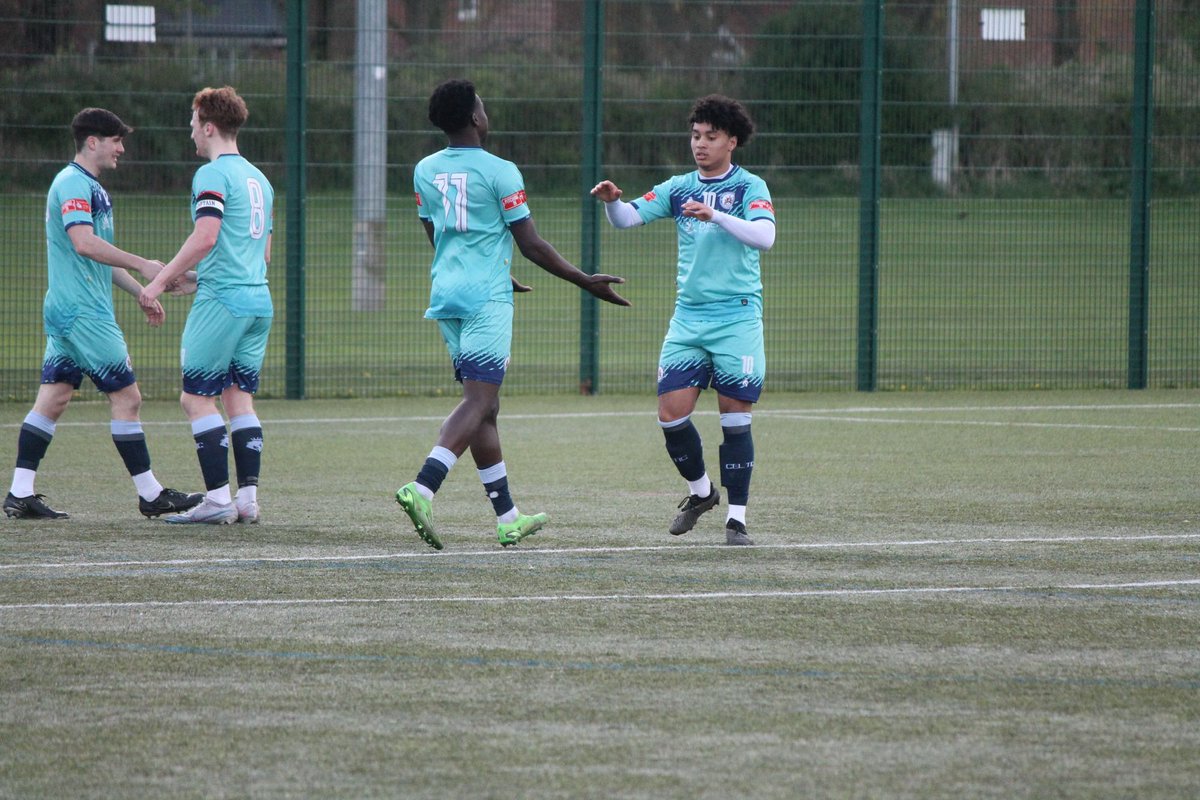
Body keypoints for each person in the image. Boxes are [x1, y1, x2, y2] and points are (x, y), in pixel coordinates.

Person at [396, 78, 631, 550]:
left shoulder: (424, 169)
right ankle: (422, 487)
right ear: (475, 118)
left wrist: (482, 270)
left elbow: (435, 229)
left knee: (487, 406)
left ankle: (507, 517)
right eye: (482, 105)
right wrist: (585, 280)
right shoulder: (501, 170)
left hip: (447, 293)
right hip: (485, 298)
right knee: (479, 401)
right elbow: (532, 245)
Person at [591, 94, 776, 546]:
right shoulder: (678, 188)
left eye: (711, 137)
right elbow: (628, 219)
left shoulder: (750, 187)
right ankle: (702, 493)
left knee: (735, 419)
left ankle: (737, 520)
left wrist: (716, 214)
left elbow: (765, 237)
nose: (700, 144)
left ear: (731, 141)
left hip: (737, 317)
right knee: (671, 415)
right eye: (696, 135)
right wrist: (613, 202)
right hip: (689, 319)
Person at [4, 108, 202, 521]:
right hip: (83, 315)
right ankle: (151, 494)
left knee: (55, 396)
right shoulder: (75, 184)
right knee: (127, 398)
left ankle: (20, 493)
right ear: (93, 142)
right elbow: (83, 243)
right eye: (116, 140)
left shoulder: (87, 186)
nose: (122, 149)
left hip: (67, 310)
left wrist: (139, 291)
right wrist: (146, 265)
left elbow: (98, 254)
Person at [139, 86, 273, 526]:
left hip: (224, 303)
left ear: (209, 126)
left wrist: (157, 283)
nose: (191, 131)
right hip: (257, 300)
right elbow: (260, 252)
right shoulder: (260, 179)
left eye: (193, 123)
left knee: (196, 398)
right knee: (238, 397)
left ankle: (217, 500)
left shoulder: (213, 174)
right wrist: (195, 279)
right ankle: (247, 499)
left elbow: (207, 236)